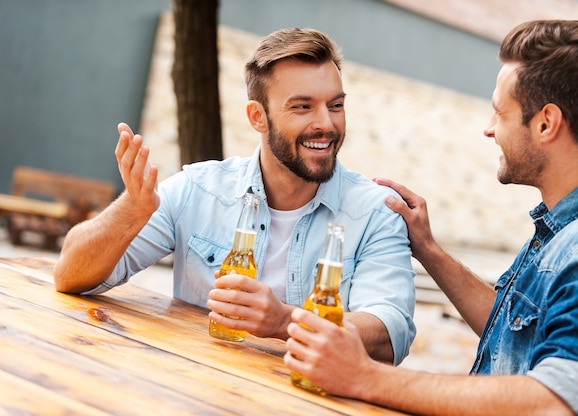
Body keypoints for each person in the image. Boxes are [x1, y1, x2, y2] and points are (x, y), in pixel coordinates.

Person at [284, 19, 578, 415]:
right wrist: (429, 250)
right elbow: (514, 333)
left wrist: (364, 376)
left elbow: (558, 401)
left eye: (500, 112)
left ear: (546, 123)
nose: (489, 129)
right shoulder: (571, 225)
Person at [52, 27, 416, 365]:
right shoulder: (199, 188)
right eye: (303, 106)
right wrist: (132, 211)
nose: (327, 123)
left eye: (335, 105)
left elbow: (389, 333)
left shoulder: (376, 212)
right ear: (258, 117)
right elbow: (70, 275)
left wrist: (284, 320)